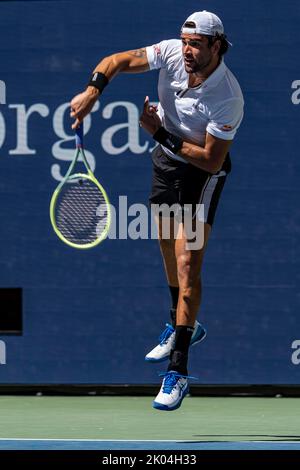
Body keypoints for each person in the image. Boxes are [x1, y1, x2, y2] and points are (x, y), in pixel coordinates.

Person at [70, 10, 244, 411]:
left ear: (216, 46)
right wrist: (92, 92)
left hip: (201, 175)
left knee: (188, 266)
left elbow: (210, 160)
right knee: (165, 244)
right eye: (185, 41)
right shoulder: (169, 54)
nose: (186, 50)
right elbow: (115, 62)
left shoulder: (228, 96)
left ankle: (178, 372)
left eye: (196, 44)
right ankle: (183, 323)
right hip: (166, 164)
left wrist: (159, 132)